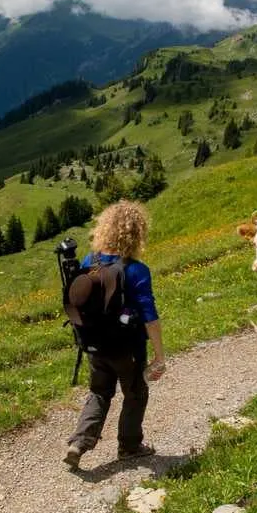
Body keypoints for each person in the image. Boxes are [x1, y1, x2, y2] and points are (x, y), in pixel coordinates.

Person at [63, 200, 166, 469]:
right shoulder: (136, 270)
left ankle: (79, 443)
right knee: (135, 394)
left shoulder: (89, 261)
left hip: (94, 345)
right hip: (127, 348)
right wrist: (159, 355)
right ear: (136, 234)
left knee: (99, 393)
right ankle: (129, 447)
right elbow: (149, 316)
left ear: (104, 229)